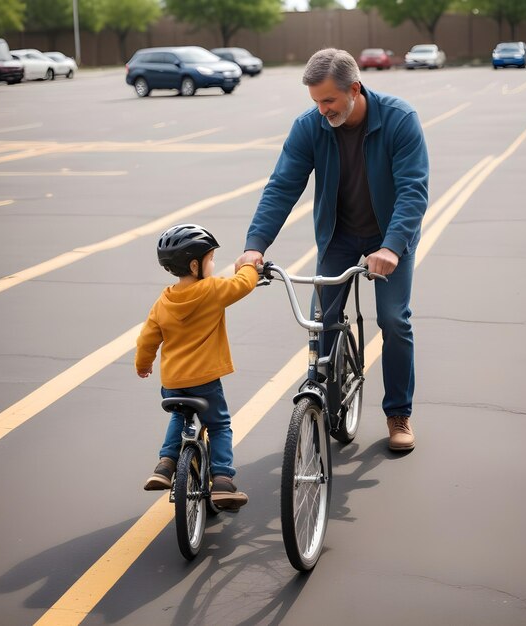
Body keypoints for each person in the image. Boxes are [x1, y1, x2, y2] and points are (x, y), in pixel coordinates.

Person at [235, 48, 428, 451]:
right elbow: (282, 187)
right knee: (320, 319)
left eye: (329, 100)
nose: (322, 110)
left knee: (394, 320)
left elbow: (413, 191)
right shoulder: (309, 127)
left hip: (391, 237)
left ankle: (398, 413)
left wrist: (392, 247)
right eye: (316, 102)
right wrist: (255, 247)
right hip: (339, 236)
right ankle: (322, 403)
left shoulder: (399, 119)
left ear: (354, 89)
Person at [136, 223, 258, 509]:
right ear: (195, 265)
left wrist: (143, 365)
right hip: (205, 381)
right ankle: (223, 481)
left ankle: (165, 465)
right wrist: (250, 266)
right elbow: (243, 285)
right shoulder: (212, 290)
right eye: (210, 259)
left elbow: (147, 340)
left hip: (172, 382)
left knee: (179, 417)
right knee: (219, 425)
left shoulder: (163, 301)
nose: (213, 264)